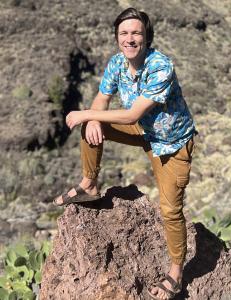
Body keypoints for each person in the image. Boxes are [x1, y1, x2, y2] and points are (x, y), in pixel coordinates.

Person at [54, 7, 196, 300]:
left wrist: (84, 113)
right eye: (124, 33)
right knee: (93, 126)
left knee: (170, 210)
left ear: (146, 37)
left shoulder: (160, 67)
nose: (129, 39)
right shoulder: (117, 64)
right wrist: (94, 117)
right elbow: (103, 97)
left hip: (171, 144)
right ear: (117, 38)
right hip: (145, 131)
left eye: (136, 33)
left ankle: (176, 272)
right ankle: (89, 184)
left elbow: (131, 115)